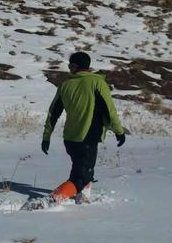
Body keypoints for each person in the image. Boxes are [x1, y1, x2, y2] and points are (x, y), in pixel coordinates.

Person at [37, 51, 126, 208]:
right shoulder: (97, 83)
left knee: (82, 169)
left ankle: (82, 198)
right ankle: (51, 200)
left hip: (70, 138)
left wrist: (46, 137)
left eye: (70, 65)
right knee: (82, 176)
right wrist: (119, 131)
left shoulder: (65, 85)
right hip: (88, 137)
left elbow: (53, 113)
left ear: (76, 65)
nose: (69, 68)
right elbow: (110, 111)